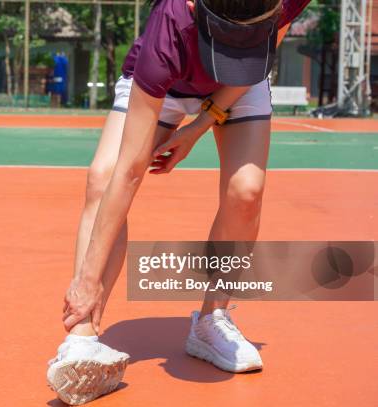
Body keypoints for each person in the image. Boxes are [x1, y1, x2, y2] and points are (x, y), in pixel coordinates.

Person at [47, 0, 311, 405]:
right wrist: (86, 281)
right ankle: (82, 332)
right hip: (167, 83)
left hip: (243, 77)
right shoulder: (170, 23)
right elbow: (131, 169)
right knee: (103, 178)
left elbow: (272, 40)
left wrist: (202, 124)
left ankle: (211, 321)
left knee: (247, 191)